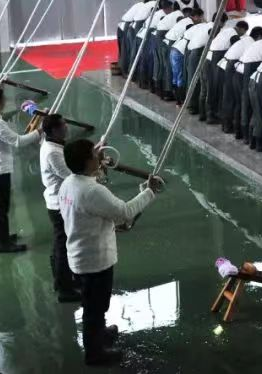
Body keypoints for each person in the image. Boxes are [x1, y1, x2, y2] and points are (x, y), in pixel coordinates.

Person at [59, 139, 163, 366]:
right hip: (94, 261)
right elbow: (124, 212)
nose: (99, 155)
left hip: (79, 255)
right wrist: (149, 192)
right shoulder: (92, 191)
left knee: (93, 303)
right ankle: (94, 353)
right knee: (94, 307)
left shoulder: (68, 183)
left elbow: (89, 215)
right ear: (87, 161)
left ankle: (99, 333)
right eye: (94, 153)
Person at [0, 88, 41, 253]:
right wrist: (38, 132)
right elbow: (18, 141)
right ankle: (3, 245)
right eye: (3, 100)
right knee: (0, 208)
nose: (5, 103)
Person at [39, 114, 79, 302]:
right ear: (55, 130)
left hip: (58, 202)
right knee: (63, 247)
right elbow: (70, 175)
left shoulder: (52, 144)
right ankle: (65, 289)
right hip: (59, 205)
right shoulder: (52, 152)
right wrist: (93, 168)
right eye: (63, 125)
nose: (67, 127)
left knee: (59, 244)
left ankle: (61, 280)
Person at [221, 26, 262, 135]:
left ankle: (227, 125)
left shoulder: (245, 40)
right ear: (259, 36)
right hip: (233, 66)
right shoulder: (252, 44)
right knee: (235, 100)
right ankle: (231, 127)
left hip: (228, 64)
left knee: (230, 99)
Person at [206, 20, 247, 125]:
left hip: (210, 56)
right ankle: (215, 114)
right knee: (219, 88)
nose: (242, 35)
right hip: (218, 57)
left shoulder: (226, 30)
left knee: (212, 86)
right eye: (243, 32)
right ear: (241, 29)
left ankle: (210, 113)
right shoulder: (234, 35)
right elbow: (237, 49)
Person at [167, 8, 203, 105]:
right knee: (180, 76)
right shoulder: (192, 26)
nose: (201, 20)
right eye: (201, 17)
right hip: (179, 52)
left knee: (176, 76)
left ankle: (178, 100)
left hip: (174, 49)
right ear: (196, 16)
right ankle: (179, 101)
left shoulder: (187, 22)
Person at [136, 0, 173, 90]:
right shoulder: (163, 15)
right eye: (171, 8)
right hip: (147, 35)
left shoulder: (159, 13)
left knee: (146, 60)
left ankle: (143, 82)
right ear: (168, 8)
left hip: (142, 34)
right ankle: (148, 83)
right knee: (150, 61)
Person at [183, 11, 215, 116]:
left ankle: (192, 105)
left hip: (190, 50)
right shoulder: (212, 27)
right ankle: (192, 106)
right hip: (196, 52)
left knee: (192, 79)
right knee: (195, 80)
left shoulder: (205, 25)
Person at [150, 1, 182, 98]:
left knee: (160, 63)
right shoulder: (179, 15)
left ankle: (158, 88)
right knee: (167, 64)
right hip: (162, 36)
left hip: (157, 35)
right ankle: (167, 91)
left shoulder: (171, 15)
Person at [117, 0, 156, 70]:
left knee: (127, 50)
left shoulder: (140, 5)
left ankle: (126, 70)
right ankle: (132, 70)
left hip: (124, 26)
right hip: (129, 26)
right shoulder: (152, 4)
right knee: (133, 50)